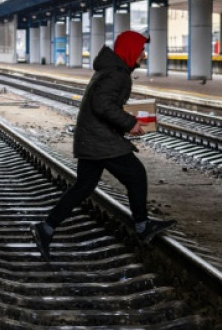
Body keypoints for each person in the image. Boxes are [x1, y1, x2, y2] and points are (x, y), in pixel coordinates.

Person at [30, 31, 176, 261]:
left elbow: (105, 104)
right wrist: (130, 123)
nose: (144, 55)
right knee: (136, 174)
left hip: (91, 138)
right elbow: (102, 105)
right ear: (130, 51)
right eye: (140, 51)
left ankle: (46, 228)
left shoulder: (111, 70)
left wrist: (129, 120)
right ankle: (142, 226)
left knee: (84, 187)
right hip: (100, 140)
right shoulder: (116, 74)